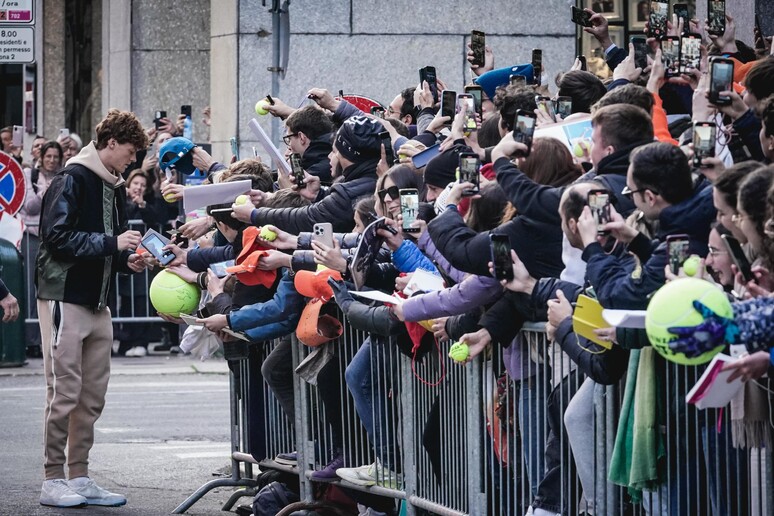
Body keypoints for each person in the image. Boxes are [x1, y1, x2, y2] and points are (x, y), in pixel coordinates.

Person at [36, 109, 149, 508]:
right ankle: (53, 478)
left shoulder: (111, 184)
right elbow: (56, 237)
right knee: (64, 392)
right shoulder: (72, 177)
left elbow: (101, 243)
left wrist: (125, 260)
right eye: (131, 151)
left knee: (91, 396)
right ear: (111, 142)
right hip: (66, 296)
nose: (132, 160)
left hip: (94, 299)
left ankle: (78, 475)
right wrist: (113, 246)